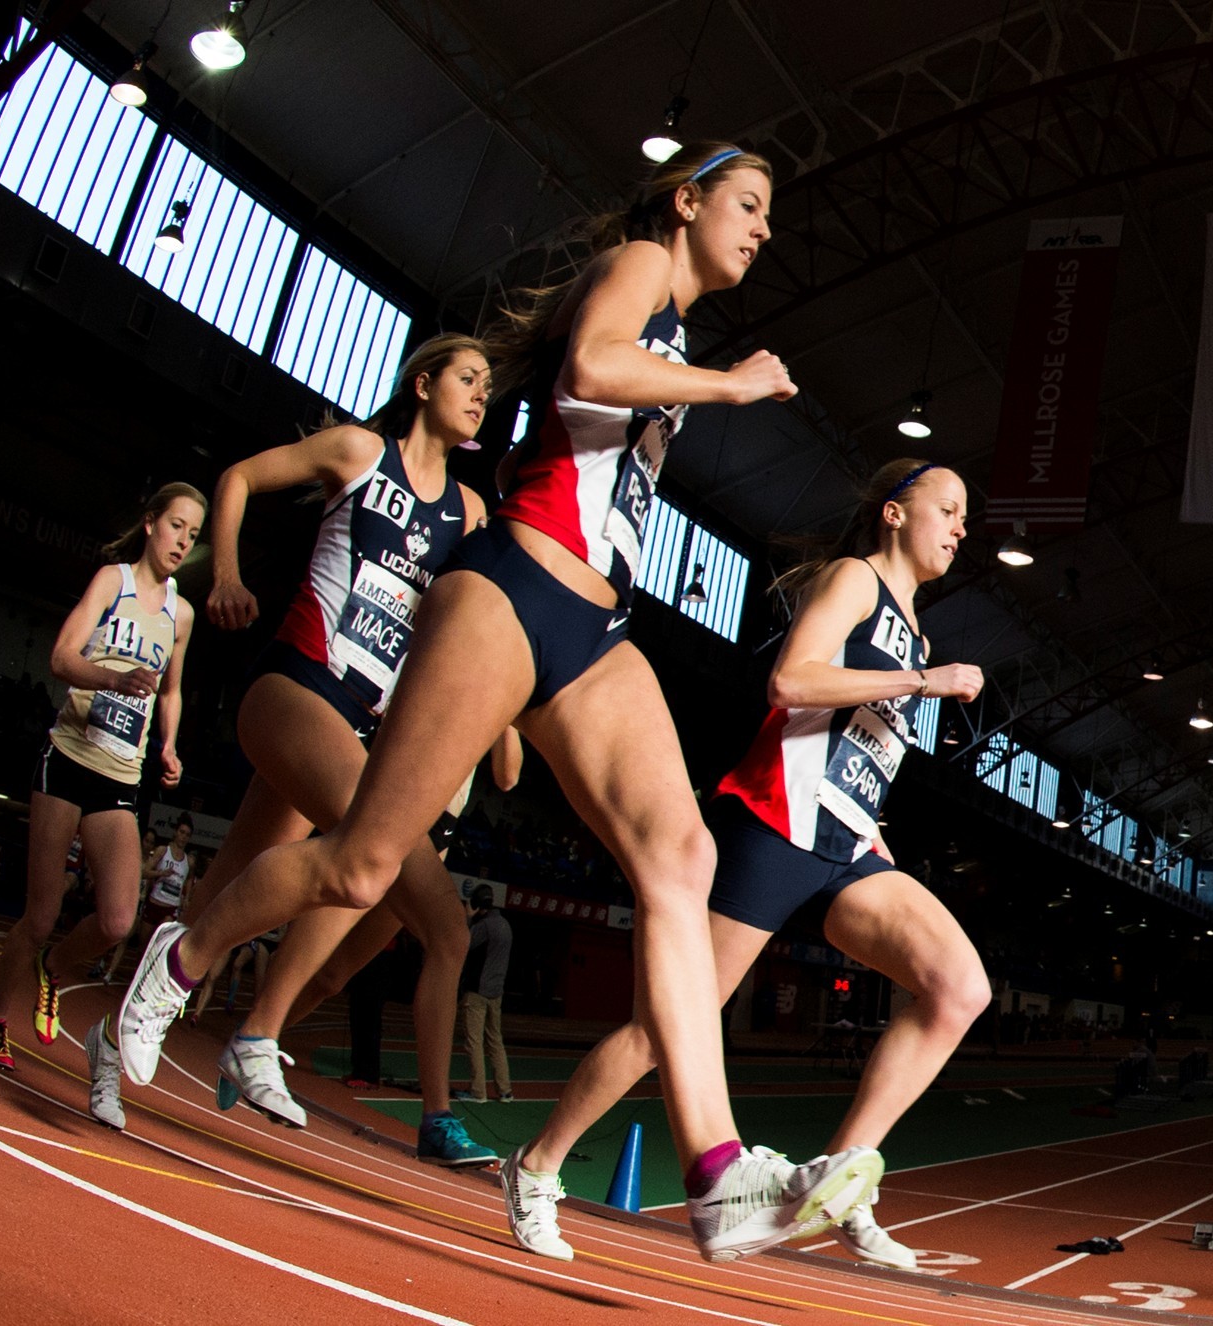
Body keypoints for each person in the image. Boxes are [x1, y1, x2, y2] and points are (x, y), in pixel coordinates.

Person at [118, 142, 882, 1261]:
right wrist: (729, 385)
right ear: (685, 202)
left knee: (682, 860)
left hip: (596, 627)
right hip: (513, 586)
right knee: (364, 863)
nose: (763, 230)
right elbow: (588, 369)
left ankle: (717, 1174)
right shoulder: (635, 270)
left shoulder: (671, 322)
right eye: (749, 204)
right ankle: (176, 964)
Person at [501, 459, 987, 1268]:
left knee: (958, 986)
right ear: (896, 515)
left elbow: (865, 742)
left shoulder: (918, 627)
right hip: (770, 827)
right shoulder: (855, 580)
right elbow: (790, 681)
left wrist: (873, 825)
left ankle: (842, 1181)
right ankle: (536, 1167)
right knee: (663, 1030)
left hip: (847, 842)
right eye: (949, 508)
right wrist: (923, 682)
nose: (961, 526)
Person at [135, 335, 502, 1165]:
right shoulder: (359, 452)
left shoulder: (470, 514)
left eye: (489, 386)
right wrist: (224, 572)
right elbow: (236, 478)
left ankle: (122, 1026)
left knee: (229, 889)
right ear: (423, 383)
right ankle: (253, 1031)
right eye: (468, 378)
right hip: (295, 688)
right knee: (402, 884)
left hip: (352, 730)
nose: (482, 394)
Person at [0, 484, 202, 1131]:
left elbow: (174, 690)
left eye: (193, 533)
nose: (184, 541)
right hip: (68, 759)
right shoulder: (113, 582)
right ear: (151, 523)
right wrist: (110, 678)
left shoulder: (180, 616)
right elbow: (59, 656)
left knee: (117, 920)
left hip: (120, 775)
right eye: (176, 527)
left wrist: (170, 743)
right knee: (40, 913)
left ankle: (54, 971)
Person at [105, 816, 193, 982]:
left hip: (170, 908)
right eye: (181, 832)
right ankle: (138, 978)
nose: (183, 837)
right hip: (153, 903)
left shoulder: (189, 861)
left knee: (159, 943)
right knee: (142, 946)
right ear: (175, 832)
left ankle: (147, 980)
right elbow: (144, 871)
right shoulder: (162, 851)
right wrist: (161, 873)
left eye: (187, 834)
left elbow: (189, 879)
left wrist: (186, 897)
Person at [453, 884, 512, 1104]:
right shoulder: (505, 925)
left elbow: (463, 943)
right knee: (495, 1041)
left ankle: (478, 1091)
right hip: (497, 992)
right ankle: (505, 1090)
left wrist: (468, 918)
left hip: (478, 991)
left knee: (474, 1042)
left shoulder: (485, 926)